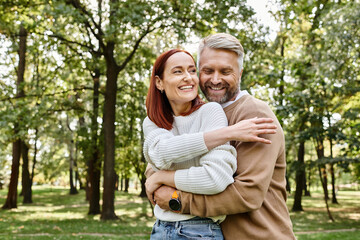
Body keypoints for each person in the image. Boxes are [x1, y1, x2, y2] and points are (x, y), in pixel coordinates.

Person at [149, 33, 296, 239]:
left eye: (226, 71)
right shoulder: (197, 113)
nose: (215, 80)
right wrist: (156, 177)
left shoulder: (254, 115)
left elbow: (247, 194)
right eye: (208, 71)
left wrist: (177, 199)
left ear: (240, 73)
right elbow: (158, 166)